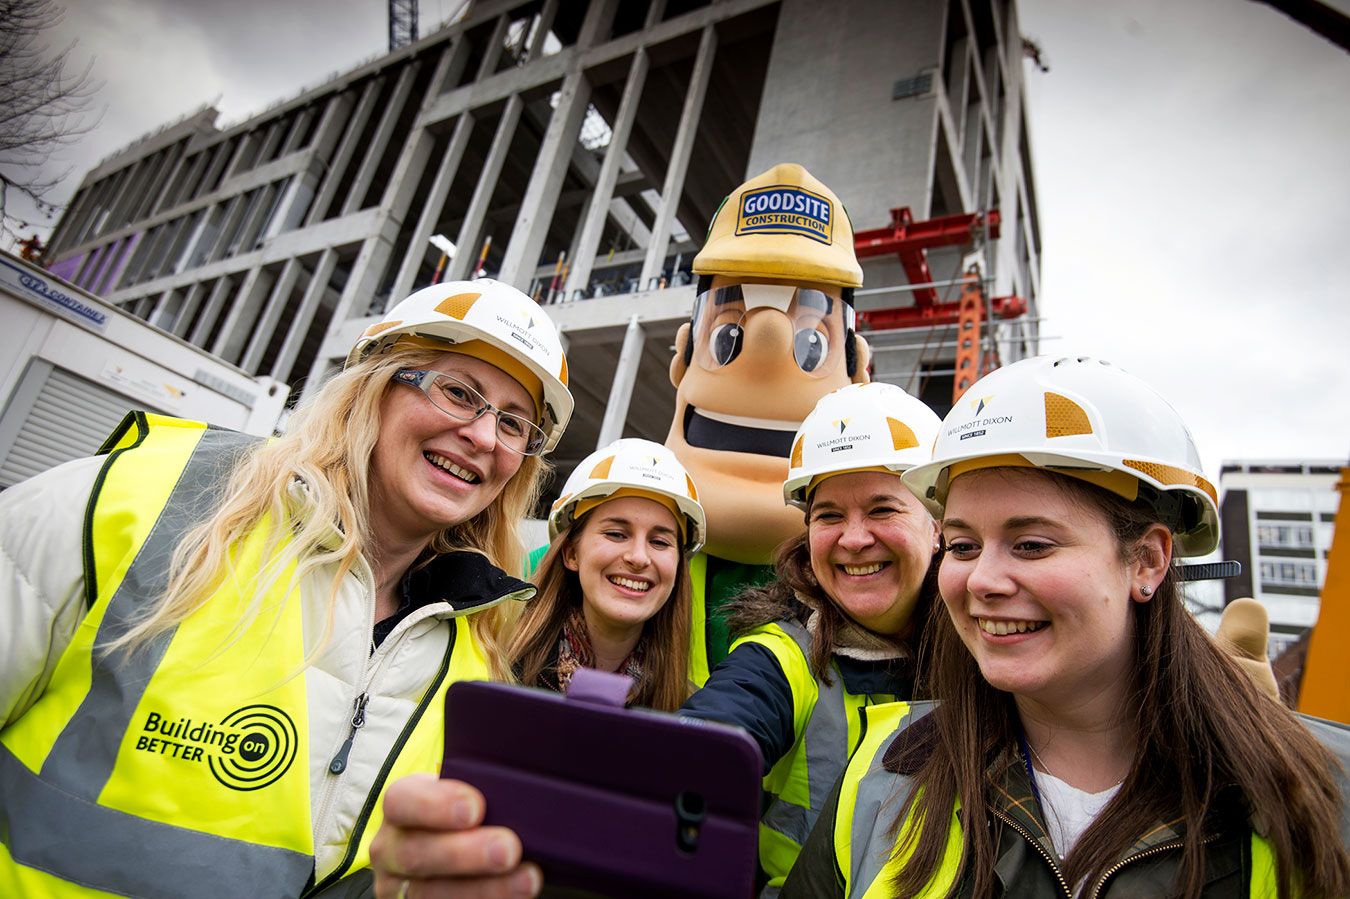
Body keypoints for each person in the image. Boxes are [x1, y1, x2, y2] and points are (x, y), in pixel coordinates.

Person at [0, 277, 572, 898]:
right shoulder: (144, 506)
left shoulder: (476, 651)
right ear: (374, 387)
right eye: (459, 392)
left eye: (514, 425)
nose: (484, 437)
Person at [782, 355, 1350, 899]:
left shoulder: (1322, 797)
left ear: (1148, 561)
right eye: (962, 545)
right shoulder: (886, 770)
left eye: (1031, 544)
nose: (981, 579)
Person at [681, 381, 944, 896]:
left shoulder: (994, 656)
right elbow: (704, 740)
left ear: (937, 526)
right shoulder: (782, 656)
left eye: (882, 509)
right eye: (828, 515)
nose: (853, 538)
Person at [663, 162, 874, 684]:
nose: (766, 351)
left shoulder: (881, 565)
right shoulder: (616, 546)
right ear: (683, 355)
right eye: (724, 337)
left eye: (813, 342)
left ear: (859, 371)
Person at [508, 438, 705, 711]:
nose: (638, 557)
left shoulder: (689, 712)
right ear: (571, 553)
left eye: (659, 542)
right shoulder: (494, 665)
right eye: (616, 534)